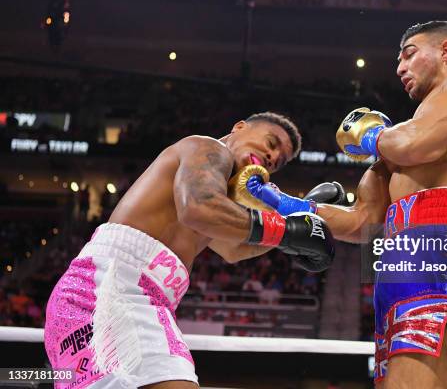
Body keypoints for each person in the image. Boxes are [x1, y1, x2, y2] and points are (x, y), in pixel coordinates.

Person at [247, 21, 447, 388]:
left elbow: (420, 145)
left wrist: (373, 135)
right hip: (398, 256)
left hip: (445, 246)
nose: (399, 68)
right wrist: (286, 204)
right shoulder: (396, 142)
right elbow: (363, 221)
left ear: (446, 51)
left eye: (409, 54)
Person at [44, 112, 336, 389]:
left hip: (112, 294)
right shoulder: (206, 148)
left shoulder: (217, 197)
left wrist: (294, 229)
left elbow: (233, 248)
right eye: (271, 143)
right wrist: (287, 231)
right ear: (240, 127)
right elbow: (198, 208)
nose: (272, 158)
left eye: (278, 162)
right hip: (114, 290)